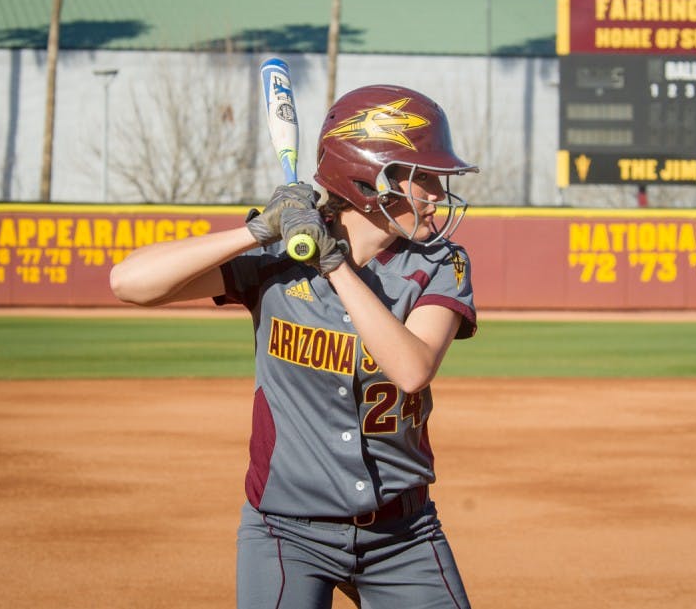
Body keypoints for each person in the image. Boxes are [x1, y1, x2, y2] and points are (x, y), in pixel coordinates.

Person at [109, 84, 480, 609]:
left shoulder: (442, 262)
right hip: (287, 531)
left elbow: (412, 368)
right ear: (373, 179)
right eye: (426, 180)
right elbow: (130, 283)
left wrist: (334, 265)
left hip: (405, 533)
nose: (439, 196)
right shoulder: (279, 251)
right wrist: (258, 230)